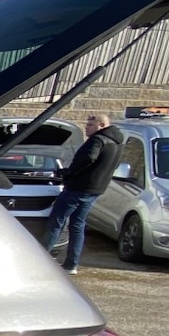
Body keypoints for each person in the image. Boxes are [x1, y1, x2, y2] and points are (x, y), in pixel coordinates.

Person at [40, 112, 127, 274]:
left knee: (57, 222)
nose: (86, 128)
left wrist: (68, 173)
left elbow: (88, 158)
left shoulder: (98, 140)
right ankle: (71, 264)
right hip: (95, 190)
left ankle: (39, 261)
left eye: (90, 125)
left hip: (77, 188)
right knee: (77, 225)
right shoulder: (118, 143)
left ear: (101, 125)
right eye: (86, 124)